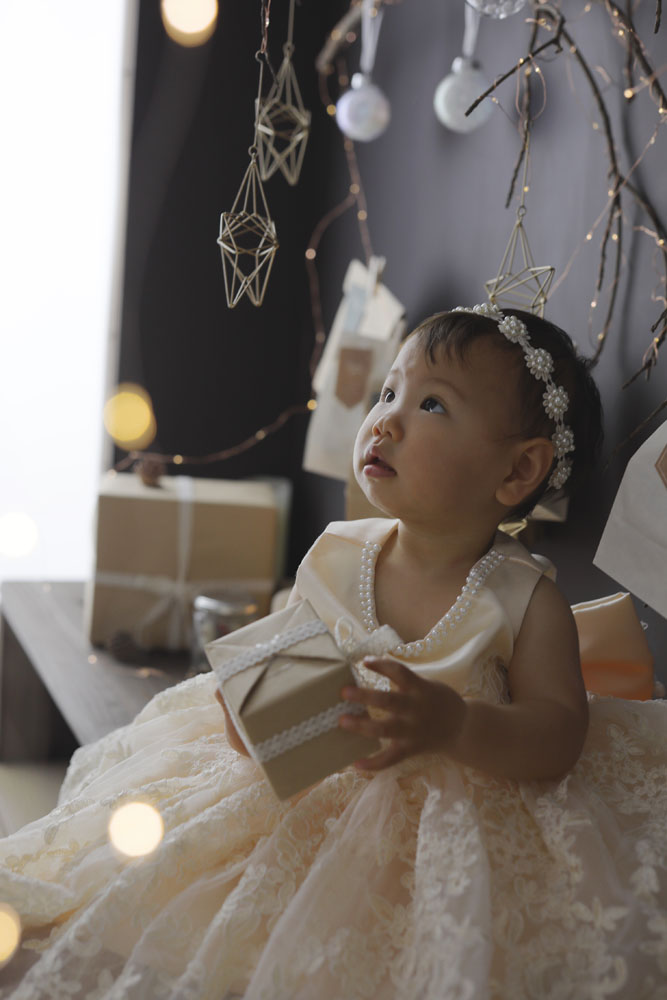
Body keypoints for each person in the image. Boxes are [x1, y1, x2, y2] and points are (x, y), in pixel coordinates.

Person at [1, 304, 665, 999]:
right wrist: (256, 713)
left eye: (431, 405)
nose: (385, 421)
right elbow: (287, 675)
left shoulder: (524, 599)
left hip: (445, 820)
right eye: (387, 392)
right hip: (311, 788)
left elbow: (557, 734)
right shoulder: (338, 553)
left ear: (517, 469)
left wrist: (457, 723)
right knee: (179, 896)